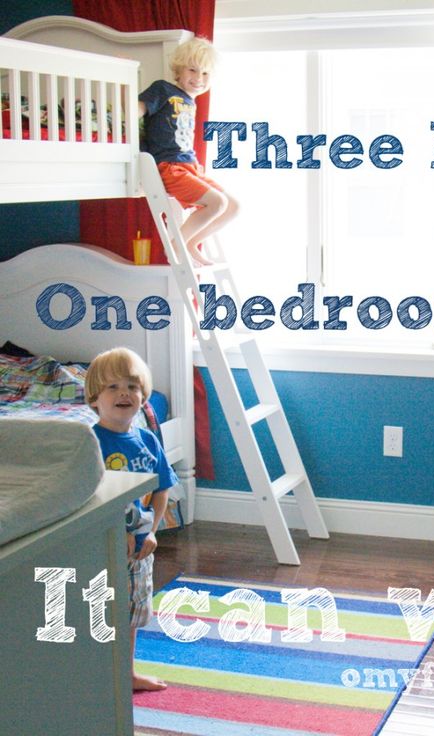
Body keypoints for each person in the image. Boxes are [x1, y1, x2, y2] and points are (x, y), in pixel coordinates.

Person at [85, 347, 178, 691]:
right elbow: (89, 496)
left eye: (132, 386)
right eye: (112, 387)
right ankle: (97, 672)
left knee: (133, 613)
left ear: (143, 396)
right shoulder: (91, 442)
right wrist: (112, 530)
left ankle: (126, 673)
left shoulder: (148, 440)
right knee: (101, 610)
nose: (124, 393)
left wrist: (152, 531)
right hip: (103, 544)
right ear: (94, 399)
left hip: (140, 548)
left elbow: (161, 488)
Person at [138, 37, 238, 266]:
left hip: (189, 166)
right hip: (170, 167)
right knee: (218, 203)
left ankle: (192, 242)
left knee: (233, 207)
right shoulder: (163, 90)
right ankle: (176, 245)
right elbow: (138, 110)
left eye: (205, 74)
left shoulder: (190, 102)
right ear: (179, 70)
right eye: (193, 70)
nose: (198, 79)